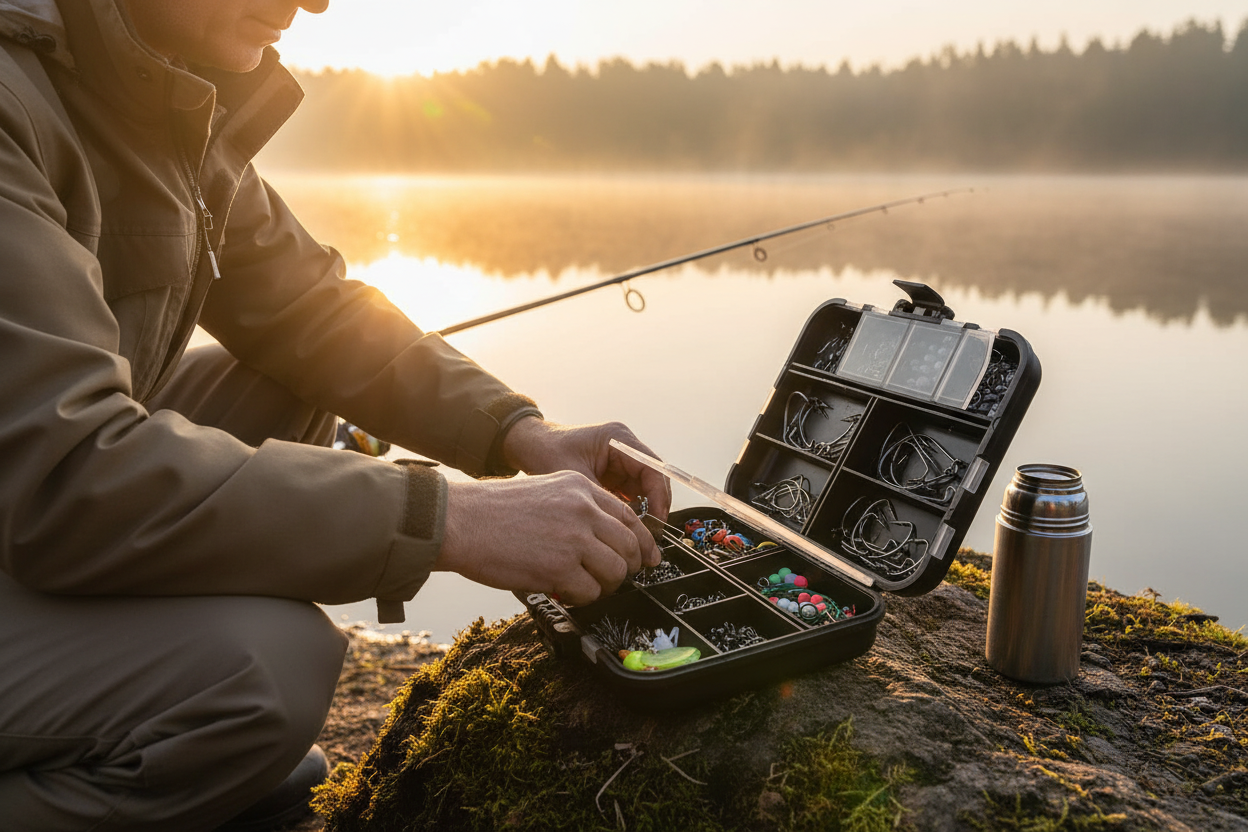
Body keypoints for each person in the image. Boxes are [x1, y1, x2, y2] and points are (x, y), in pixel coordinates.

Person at [0, 1, 672, 829]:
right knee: (267, 674)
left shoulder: (154, 92)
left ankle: (142, 712)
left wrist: (519, 434)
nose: (314, 1)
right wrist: (447, 518)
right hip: (41, 491)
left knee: (282, 390)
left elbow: (312, 312)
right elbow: (69, 472)